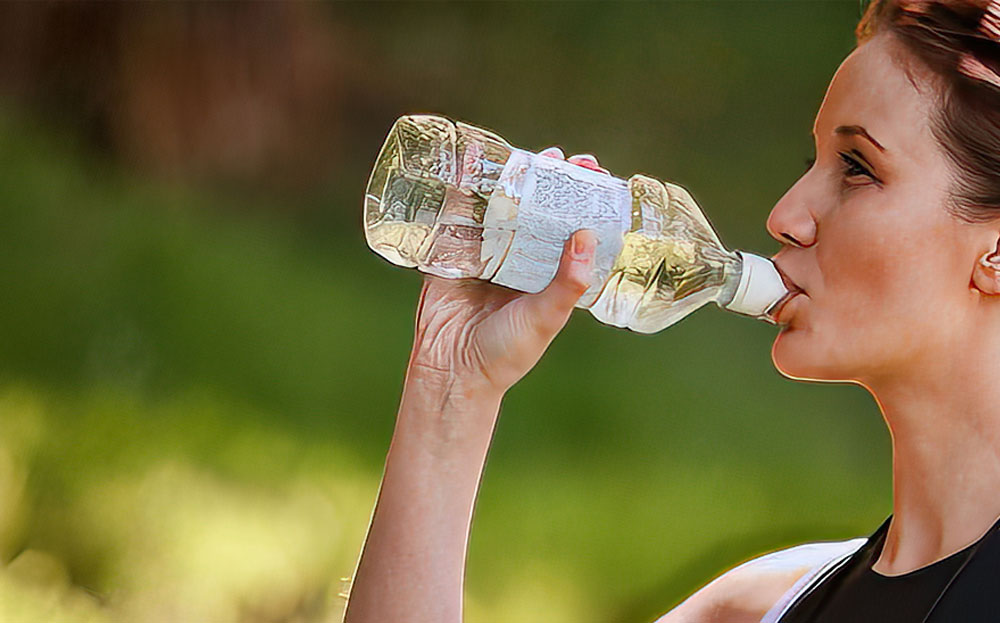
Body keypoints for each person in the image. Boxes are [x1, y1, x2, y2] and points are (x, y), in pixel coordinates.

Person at [343, 0, 1000, 620]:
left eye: (857, 167)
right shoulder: (762, 607)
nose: (786, 215)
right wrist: (452, 387)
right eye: (814, 159)